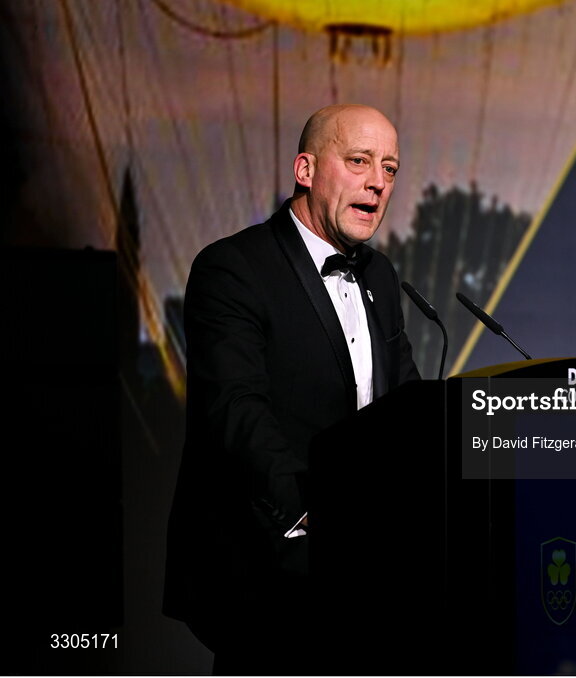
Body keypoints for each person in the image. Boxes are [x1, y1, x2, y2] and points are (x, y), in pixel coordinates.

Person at [163, 104, 419, 674]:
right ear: (305, 169)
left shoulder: (380, 276)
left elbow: (404, 407)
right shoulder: (233, 267)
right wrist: (317, 522)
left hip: (370, 581)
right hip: (271, 574)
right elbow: (235, 412)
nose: (378, 181)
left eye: (391, 168)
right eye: (359, 161)